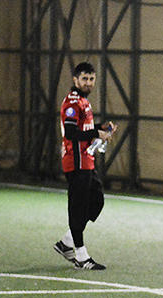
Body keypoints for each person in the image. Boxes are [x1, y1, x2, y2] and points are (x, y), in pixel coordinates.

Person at [53, 62, 117, 271]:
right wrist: (96, 133)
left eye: (91, 79)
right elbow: (71, 134)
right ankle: (81, 256)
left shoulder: (83, 101)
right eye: (84, 79)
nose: (88, 83)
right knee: (78, 208)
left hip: (87, 161)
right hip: (76, 163)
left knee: (96, 201)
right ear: (75, 80)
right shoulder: (72, 103)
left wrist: (101, 127)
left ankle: (66, 242)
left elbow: (85, 128)